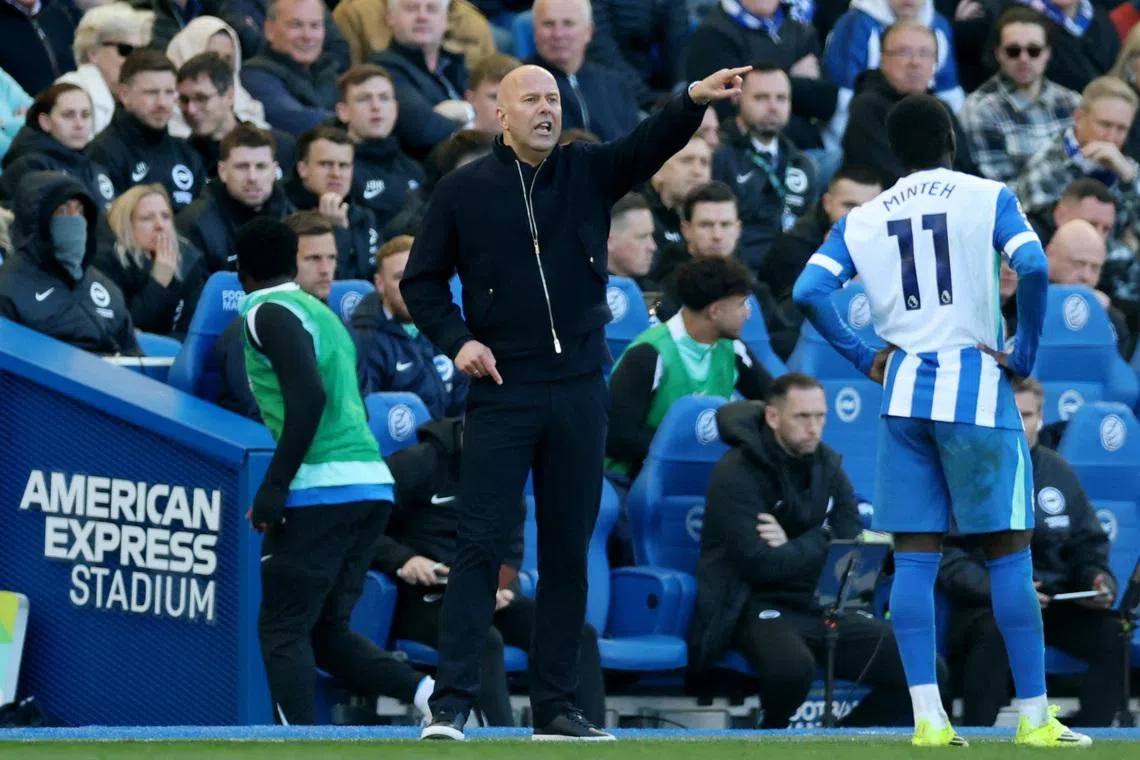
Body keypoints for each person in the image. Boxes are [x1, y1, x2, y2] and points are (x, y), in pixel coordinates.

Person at [400, 62, 751, 742]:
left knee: (567, 549)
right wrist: (457, 341)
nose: (544, 109)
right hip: (503, 386)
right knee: (478, 546)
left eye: (553, 99)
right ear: (499, 114)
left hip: (581, 386)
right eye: (529, 99)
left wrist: (689, 98)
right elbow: (423, 283)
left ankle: (557, 708)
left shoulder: (587, 170)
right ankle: (449, 705)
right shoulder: (463, 190)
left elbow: (647, 144)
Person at [791, 93, 1090, 747]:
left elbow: (807, 290)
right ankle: (1035, 720)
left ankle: (929, 718)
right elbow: (1035, 264)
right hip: (977, 391)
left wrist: (861, 355)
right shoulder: (987, 196)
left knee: (915, 560)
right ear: (950, 137)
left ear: (895, 153)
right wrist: (1026, 351)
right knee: (1009, 554)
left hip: (902, 395)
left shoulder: (864, 217)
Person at [233, 216, 435, 725]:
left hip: (321, 487)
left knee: (282, 629)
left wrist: (274, 486)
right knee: (325, 632)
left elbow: (307, 398)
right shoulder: (322, 315)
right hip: (369, 482)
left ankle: (297, 745)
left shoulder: (265, 310)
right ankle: (433, 691)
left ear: (242, 269)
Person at [689, 375, 912, 728]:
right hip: (753, 604)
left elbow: (851, 547)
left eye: (820, 417)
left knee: (921, 668)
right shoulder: (735, 472)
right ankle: (769, 741)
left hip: (820, 601)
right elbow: (761, 565)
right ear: (774, 418)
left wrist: (803, 542)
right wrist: (824, 538)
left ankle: (840, 744)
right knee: (792, 670)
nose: (814, 427)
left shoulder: (828, 465)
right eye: (802, 417)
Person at [377, 415, 606, 727]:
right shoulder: (418, 463)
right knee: (481, 637)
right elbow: (360, 526)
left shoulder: (507, 474)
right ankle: (499, 739)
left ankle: (581, 730)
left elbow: (511, 554)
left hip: (483, 591)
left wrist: (502, 587)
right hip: (421, 595)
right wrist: (403, 559)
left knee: (576, 632)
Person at [939, 377, 1125, 728]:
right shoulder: (968, 473)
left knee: (1113, 635)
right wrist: (1001, 590)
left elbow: (1088, 545)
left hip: (1054, 603)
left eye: (1025, 415)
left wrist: (1096, 579)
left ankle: (1092, 733)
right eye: (1009, 414)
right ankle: (979, 735)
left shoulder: (1059, 472)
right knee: (996, 633)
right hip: (988, 606)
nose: (1017, 424)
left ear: (1039, 417)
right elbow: (949, 560)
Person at [605, 256, 772, 480]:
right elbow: (617, 438)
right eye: (741, 304)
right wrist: (691, 445)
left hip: (696, 470)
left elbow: (775, 400)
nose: (747, 313)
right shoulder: (648, 354)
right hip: (635, 475)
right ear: (714, 311)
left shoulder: (732, 348)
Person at [0, 171, 141, 357]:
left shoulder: (106, 287)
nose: (75, 220)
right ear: (37, 220)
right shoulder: (8, 289)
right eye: (63, 211)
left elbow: (135, 356)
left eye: (80, 211)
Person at [215, 210, 337, 420]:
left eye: (331, 258)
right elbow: (262, 413)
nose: (326, 269)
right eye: (313, 259)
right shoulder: (248, 331)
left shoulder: (333, 324)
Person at [352, 235, 468, 418]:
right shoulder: (364, 341)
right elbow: (371, 416)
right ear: (380, 284)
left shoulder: (448, 327)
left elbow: (466, 401)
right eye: (399, 278)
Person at [87, 49, 207, 210]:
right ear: (124, 95)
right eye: (151, 93)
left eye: (169, 92)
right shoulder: (102, 154)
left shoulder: (188, 155)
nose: (162, 103)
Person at [101, 183, 208, 337]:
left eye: (166, 216)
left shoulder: (189, 260)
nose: (160, 225)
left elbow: (192, 331)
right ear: (126, 224)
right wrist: (158, 283)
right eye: (147, 218)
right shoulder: (108, 261)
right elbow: (124, 327)